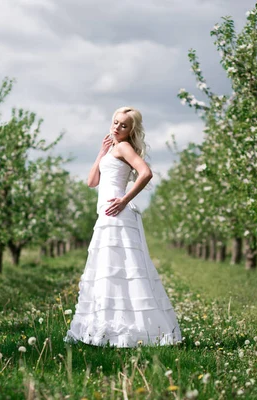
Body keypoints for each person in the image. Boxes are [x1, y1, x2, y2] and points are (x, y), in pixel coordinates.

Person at [64, 106, 183, 348]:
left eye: (124, 125)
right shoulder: (112, 149)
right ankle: (109, 329)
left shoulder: (124, 147)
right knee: (110, 272)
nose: (117, 127)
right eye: (116, 122)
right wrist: (101, 152)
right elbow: (91, 182)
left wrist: (125, 199)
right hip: (106, 217)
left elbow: (146, 173)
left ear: (131, 130)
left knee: (123, 271)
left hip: (117, 214)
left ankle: (132, 331)